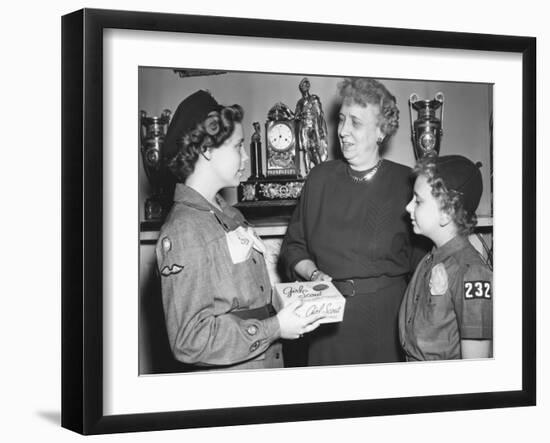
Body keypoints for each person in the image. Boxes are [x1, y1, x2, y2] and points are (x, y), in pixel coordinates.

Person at [156, 90, 325, 370]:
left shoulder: (229, 213)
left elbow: (248, 297)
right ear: (206, 150)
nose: (246, 157)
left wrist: (296, 300)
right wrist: (274, 328)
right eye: (238, 147)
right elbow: (189, 340)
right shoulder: (185, 230)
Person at [279, 78, 425, 366]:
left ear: (381, 131)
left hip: (387, 323)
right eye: (342, 120)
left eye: (355, 123)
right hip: (327, 323)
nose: (343, 131)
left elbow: (422, 265)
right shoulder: (319, 179)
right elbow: (294, 248)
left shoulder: (407, 183)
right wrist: (313, 275)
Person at [399, 155, 493, 360]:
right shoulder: (428, 259)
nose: (408, 207)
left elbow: (475, 369)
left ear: (447, 213)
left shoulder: (471, 273)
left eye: (418, 201)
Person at [295, 77, 329, 174]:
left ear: (308, 86)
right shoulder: (300, 102)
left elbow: (319, 114)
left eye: (306, 85)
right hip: (304, 127)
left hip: (314, 126)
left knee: (316, 148)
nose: (304, 87)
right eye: (302, 86)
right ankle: (307, 171)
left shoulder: (314, 99)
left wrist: (321, 128)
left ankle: (320, 169)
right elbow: (296, 116)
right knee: (306, 150)